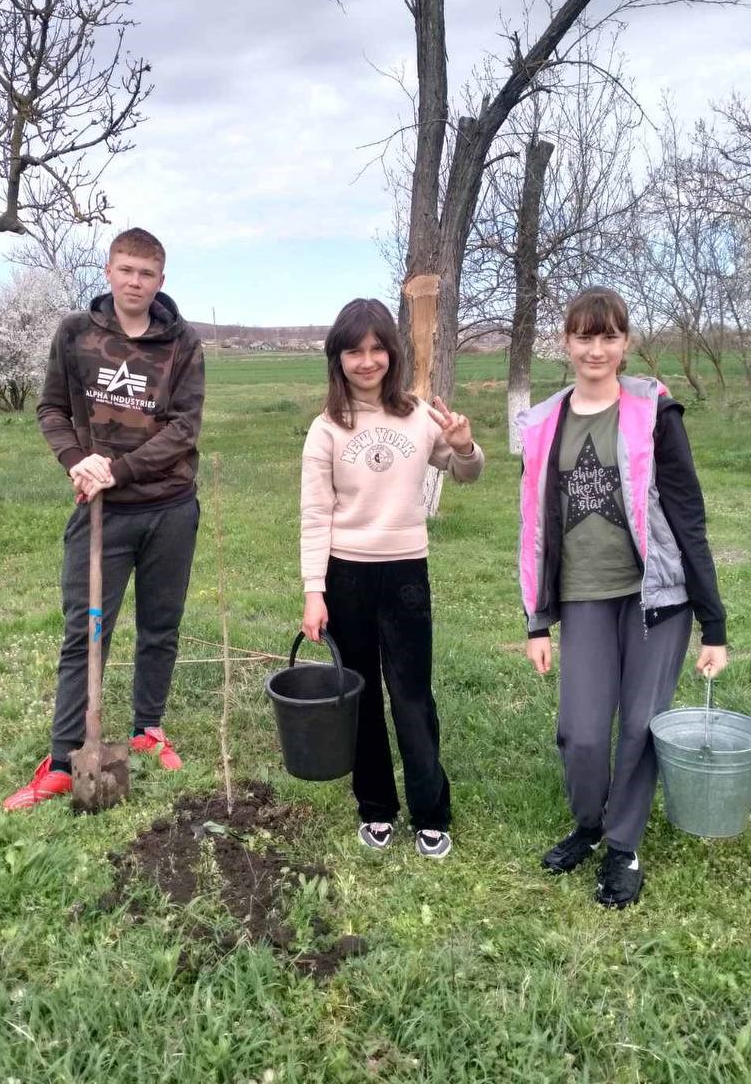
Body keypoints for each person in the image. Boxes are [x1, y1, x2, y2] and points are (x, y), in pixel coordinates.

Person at [518, 287, 728, 907]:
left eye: (609, 336)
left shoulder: (655, 414)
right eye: (584, 335)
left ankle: (622, 846)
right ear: (565, 341)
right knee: (582, 731)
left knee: (639, 724)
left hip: (657, 599)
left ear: (626, 343)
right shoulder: (544, 423)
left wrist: (713, 625)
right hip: (583, 597)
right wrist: (536, 619)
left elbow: (688, 518)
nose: (596, 349)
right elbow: (534, 524)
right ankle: (588, 823)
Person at [3, 228, 204, 810]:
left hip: (169, 508)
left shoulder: (182, 343)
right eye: (125, 270)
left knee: (161, 626)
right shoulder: (76, 335)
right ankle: (66, 759)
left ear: (160, 280)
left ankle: (148, 728)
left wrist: (119, 468)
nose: (135, 281)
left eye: (146, 273)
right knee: (85, 633)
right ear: (109, 272)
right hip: (101, 513)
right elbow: (51, 408)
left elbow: (184, 428)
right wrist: (78, 461)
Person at [300, 298, 484, 858]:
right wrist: (314, 590)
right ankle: (376, 807)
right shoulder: (326, 428)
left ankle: (431, 811)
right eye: (354, 350)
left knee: (410, 694)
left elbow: (468, 472)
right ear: (338, 358)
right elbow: (315, 513)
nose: (367, 360)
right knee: (361, 696)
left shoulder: (418, 414)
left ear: (392, 354)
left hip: (406, 575)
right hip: (347, 576)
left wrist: (464, 446)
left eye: (377, 348)